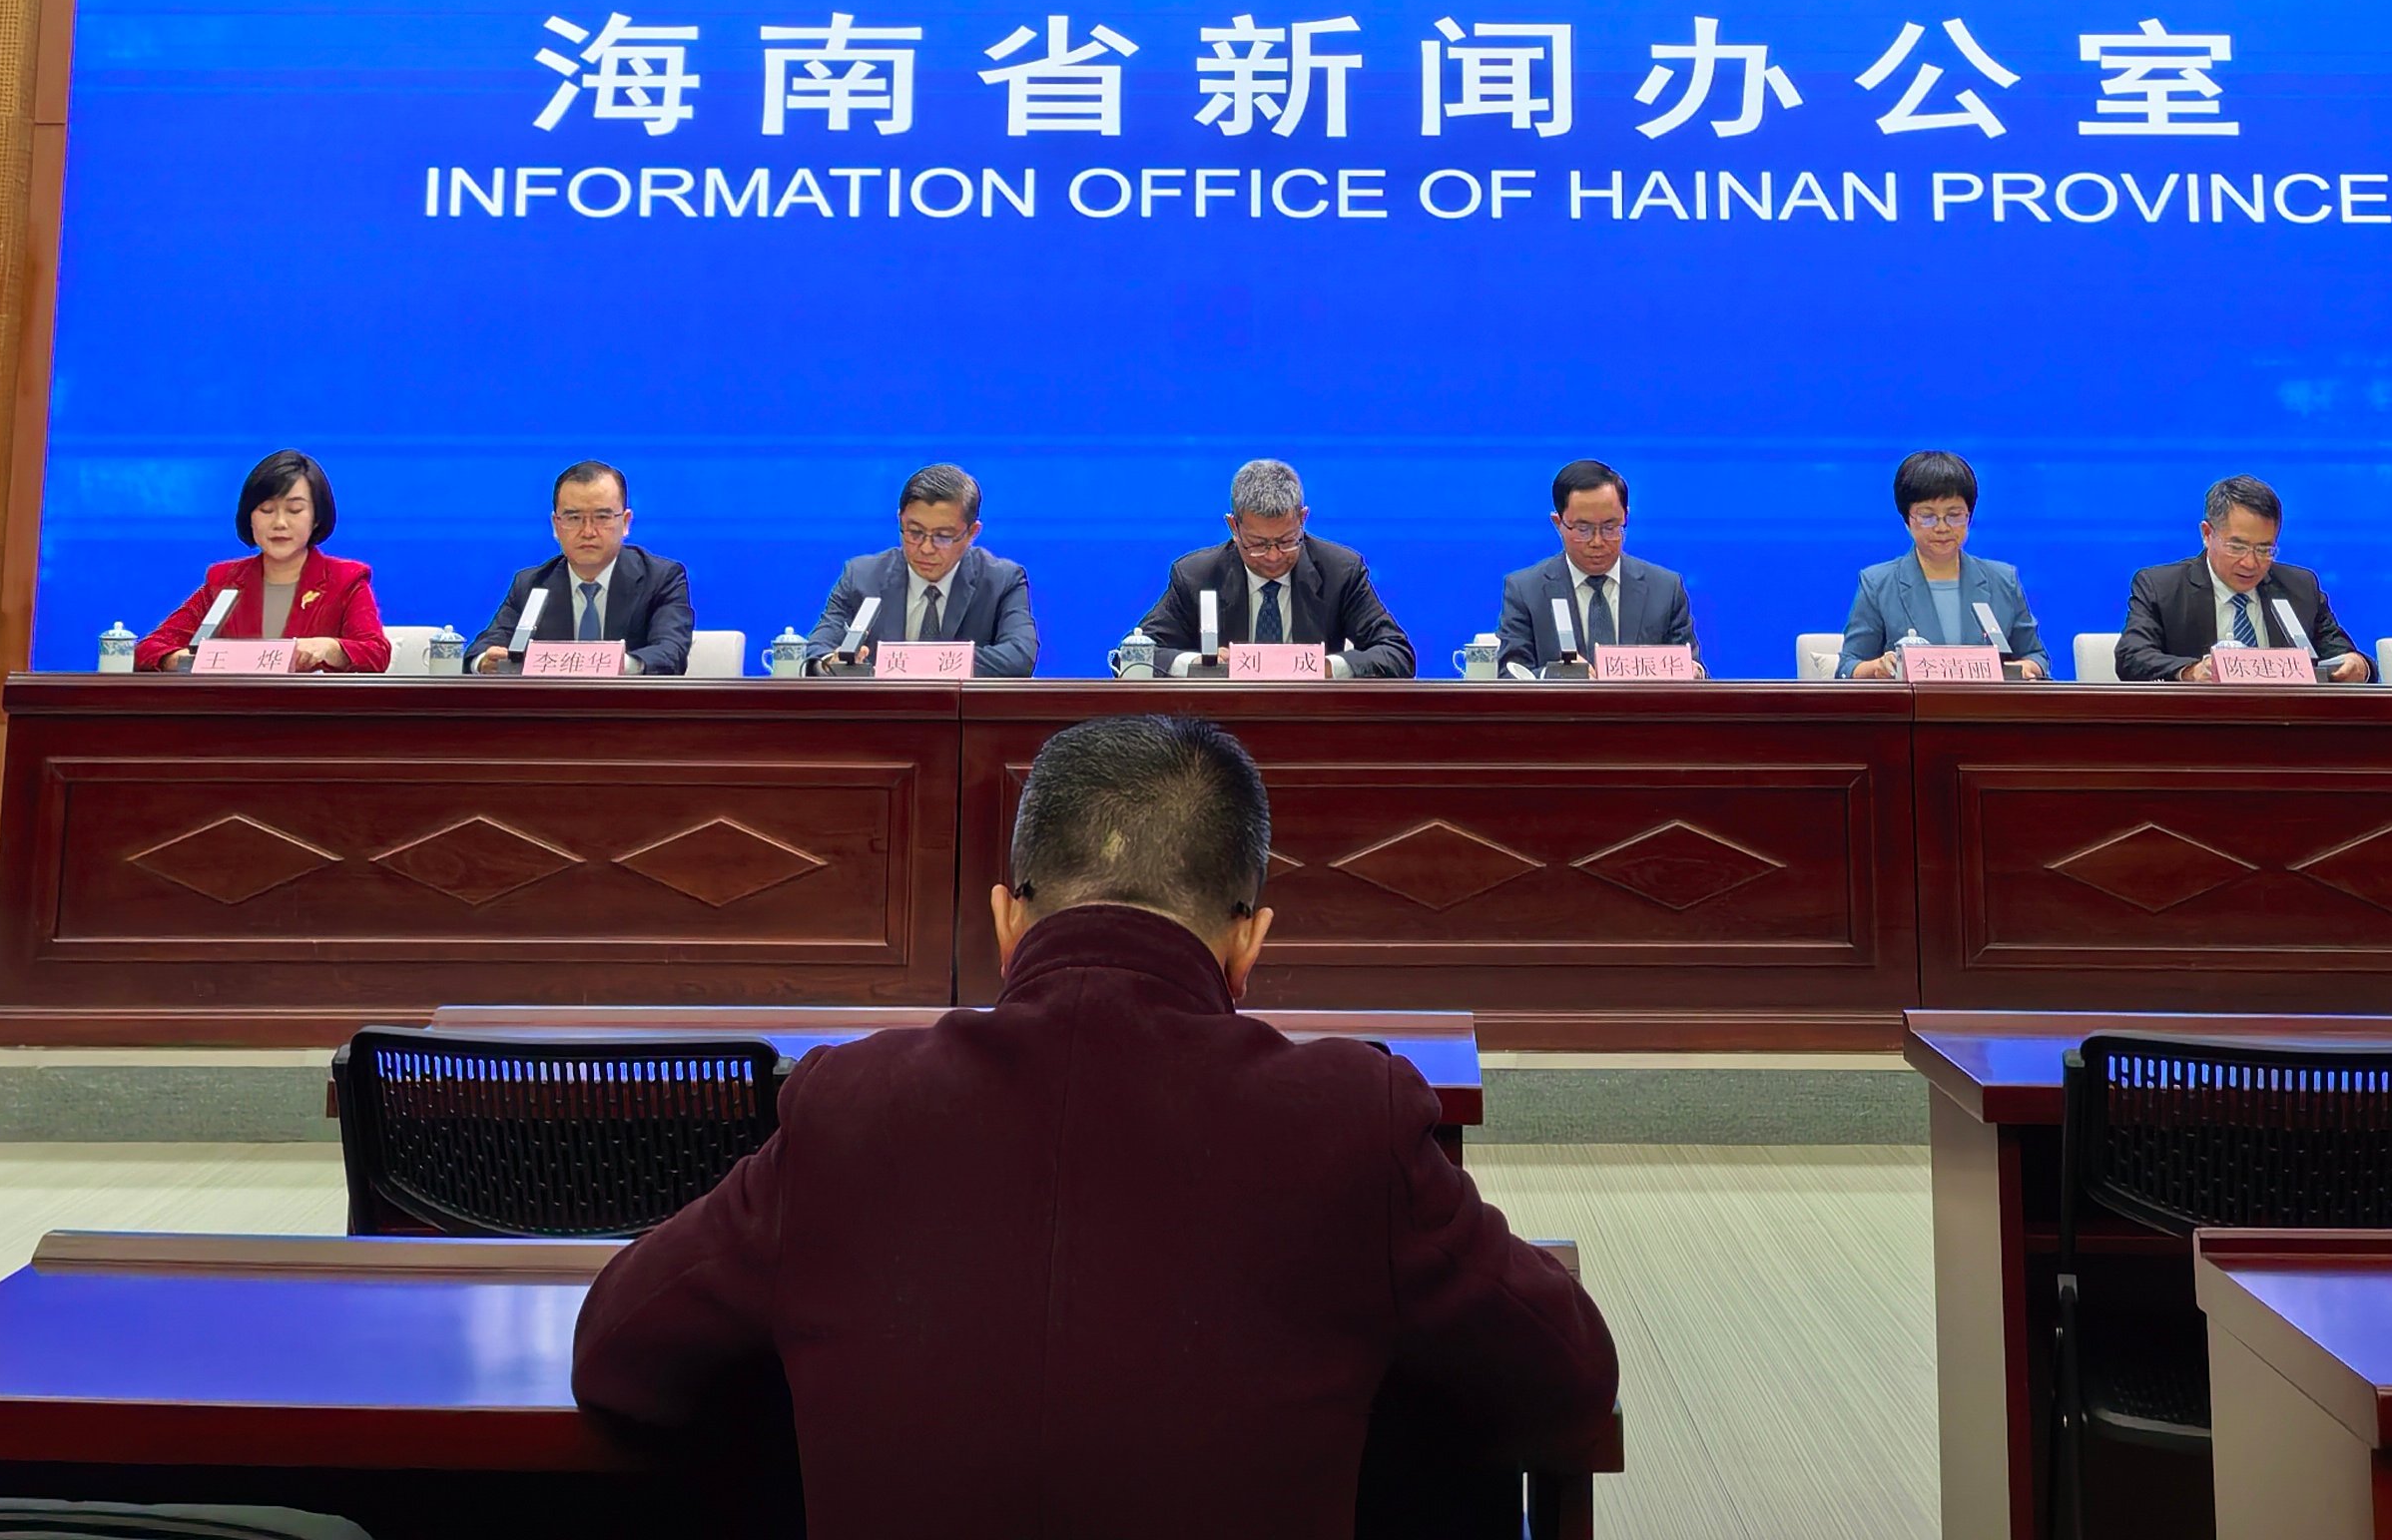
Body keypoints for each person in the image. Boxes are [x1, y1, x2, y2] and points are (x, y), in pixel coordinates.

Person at [573, 713, 1615, 1540]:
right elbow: (1567, 1385)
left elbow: (618, 1355)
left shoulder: (850, 1100)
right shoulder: (1351, 1113)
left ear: (1005, 922)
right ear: (1249, 944)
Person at [1137, 458, 1414, 678]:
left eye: (1286, 541)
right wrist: (1200, 664)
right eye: (1258, 544)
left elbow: (1397, 653)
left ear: (1302, 519)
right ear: (1233, 526)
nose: (1273, 556)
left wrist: (1327, 667)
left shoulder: (1339, 571)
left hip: (1314, 719)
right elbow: (1136, 657)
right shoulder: (1197, 575)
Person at [139, 449, 388, 672]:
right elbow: (149, 649)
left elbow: (376, 653)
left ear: (316, 518)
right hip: (235, 707)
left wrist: (330, 649)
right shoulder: (225, 581)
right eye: (266, 510)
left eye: (294, 510)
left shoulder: (345, 580)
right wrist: (189, 662)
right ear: (249, 517)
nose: (279, 523)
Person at [2118, 475, 2369, 682]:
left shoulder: (2299, 587)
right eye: (2237, 547)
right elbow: (2132, 656)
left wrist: (2357, 665)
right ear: (2207, 534)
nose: (2250, 563)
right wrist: (2190, 672)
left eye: (2264, 549)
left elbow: (2342, 654)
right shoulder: (2162, 587)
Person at [806, 464, 1039, 675]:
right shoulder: (862, 576)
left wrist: (910, 663)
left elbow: (1019, 657)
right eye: (915, 532)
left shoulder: (1001, 581)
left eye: (943, 536)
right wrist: (831, 664)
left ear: (971, 533)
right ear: (900, 520)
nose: (926, 548)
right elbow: (817, 650)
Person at [1841, 450, 2049, 679]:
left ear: (1969, 517)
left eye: (1954, 515)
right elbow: (1848, 667)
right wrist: (1878, 667)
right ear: (1907, 520)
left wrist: (2026, 668)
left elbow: (2035, 656)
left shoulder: (2003, 580)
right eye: (1927, 516)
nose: (1942, 527)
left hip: (1987, 701)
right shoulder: (1878, 584)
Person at [471, 461, 694, 674]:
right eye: (574, 518)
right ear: (556, 525)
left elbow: (671, 653)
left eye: (602, 517)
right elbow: (482, 650)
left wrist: (609, 665)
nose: (588, 532)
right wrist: (484, 662)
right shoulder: (532, 584)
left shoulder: (660, 578)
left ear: (625, 522)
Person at [1495, 458, 1701, 677]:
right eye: (1583, 529)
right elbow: (1510, 674)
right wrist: (1554, 675)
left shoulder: (1665, 589)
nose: (1597, 541)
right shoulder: (1526, 591)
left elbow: (1692, 671)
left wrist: (1695, 672)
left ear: (1626, 517)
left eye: (1610, 527)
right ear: (1558, 523)